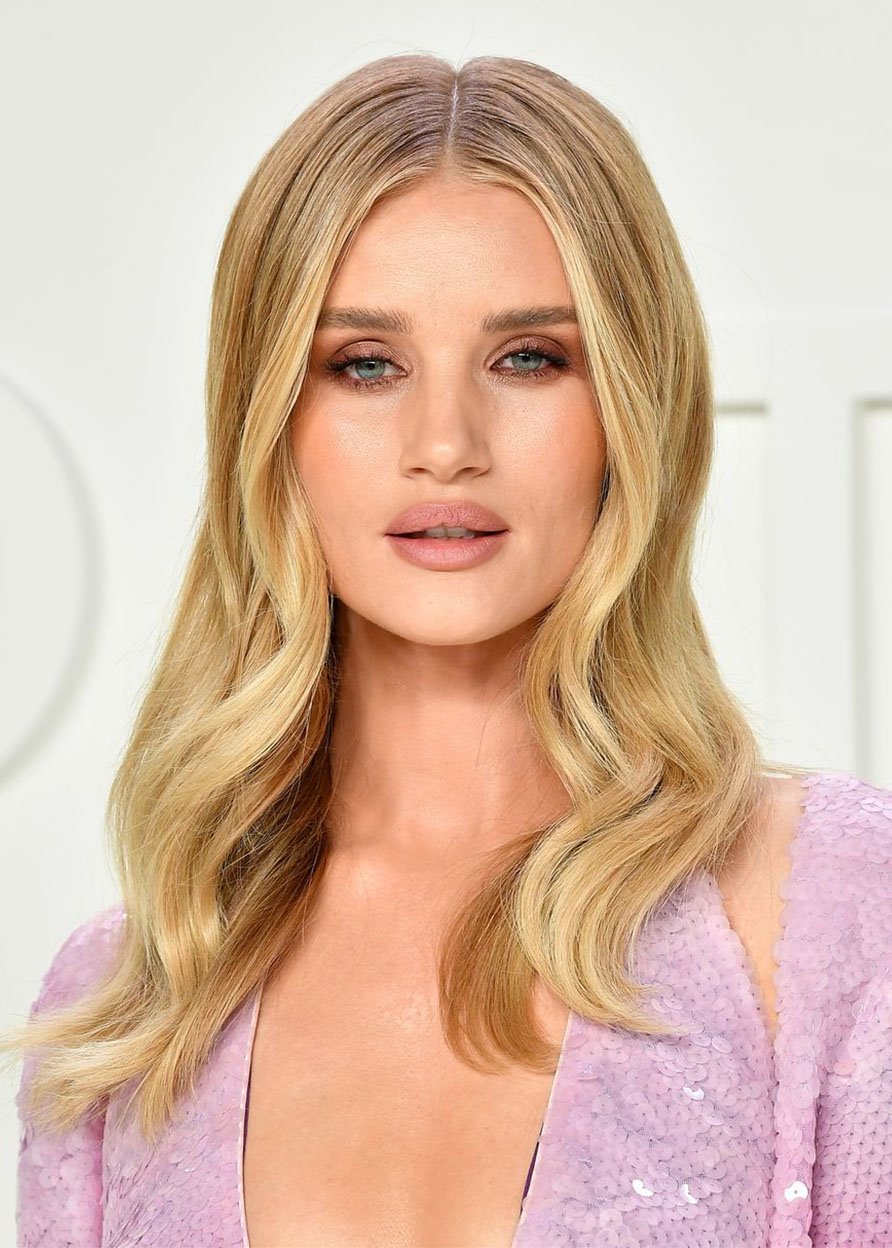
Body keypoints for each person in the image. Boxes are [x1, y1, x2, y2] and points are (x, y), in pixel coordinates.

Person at [4, 51, 891, 1248]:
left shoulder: (829, 902)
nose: (445, 442)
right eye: (364, 365)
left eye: (529, 358)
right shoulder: (131, 1005)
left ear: (630, 408)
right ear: (271, 423)